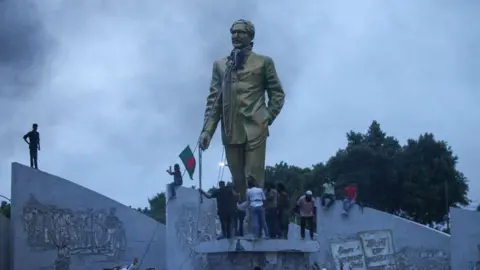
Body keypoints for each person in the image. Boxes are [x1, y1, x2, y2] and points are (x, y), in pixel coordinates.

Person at [198, 19, 286, 202]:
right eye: (233, 32)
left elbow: (277, 93)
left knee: (253, 179)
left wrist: (267, 116)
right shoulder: (221, 65)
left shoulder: (263, 62)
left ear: (250, 36)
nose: (236, 36)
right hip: (231, 131)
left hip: (256, 128)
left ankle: (254, 224)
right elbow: (214, 101)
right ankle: (246, 219)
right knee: (238, 183)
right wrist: (207, 131)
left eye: (241, 32)